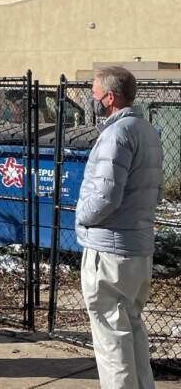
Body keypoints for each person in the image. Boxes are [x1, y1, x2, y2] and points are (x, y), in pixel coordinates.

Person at [76, 66, 163, 389]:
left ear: (110, 97)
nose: (92, 97)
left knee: (112, 340)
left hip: (109, 250)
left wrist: (81, 215)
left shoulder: (116, 133)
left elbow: (106, 195)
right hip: (136, 246)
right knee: (132, 327)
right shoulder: (147, 130)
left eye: (95, 92)